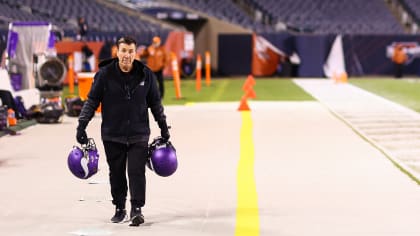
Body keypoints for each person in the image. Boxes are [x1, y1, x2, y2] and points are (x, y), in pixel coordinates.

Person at [76, 36, 171, 226]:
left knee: (136, 172)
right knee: (116, 172)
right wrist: (82, 124)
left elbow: (155, 104)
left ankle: (137, 208)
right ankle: (119, 207)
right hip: (112, 133)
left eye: (130, 51)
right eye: (123, 51)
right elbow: (92, 100)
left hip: (139, 132)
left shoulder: (146, 74)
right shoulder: (104, 74)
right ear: (116, 52)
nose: (127, 55)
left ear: (135, 53)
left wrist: (163, 126)